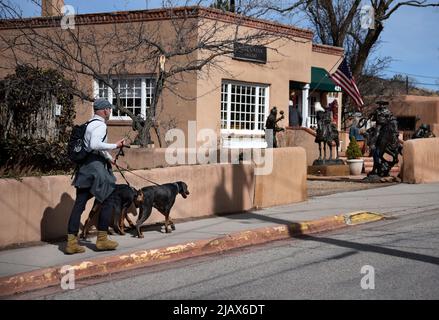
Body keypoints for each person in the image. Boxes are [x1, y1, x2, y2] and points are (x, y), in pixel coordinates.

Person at [65, 99, 126, 254]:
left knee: (79, 204)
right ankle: (102, 239)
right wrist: (115, 145)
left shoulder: (89, 124)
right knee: (109, 198)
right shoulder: (101, 125)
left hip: (85, 168)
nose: (110, 112)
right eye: (109, 109)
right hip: (97, 170)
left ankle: (71, 243)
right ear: (105, 110)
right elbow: (94, 145)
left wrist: (109, 158)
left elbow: (93, 147)